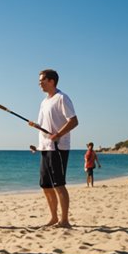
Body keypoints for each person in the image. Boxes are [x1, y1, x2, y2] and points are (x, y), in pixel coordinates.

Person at [34, 69, 78, 227]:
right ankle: (53, 217)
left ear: (51, 81)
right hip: (45, 148)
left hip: (58, 148)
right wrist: (38, 146)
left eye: (42, 80)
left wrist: (59, 134)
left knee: (59, 184)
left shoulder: (62, 98)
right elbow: (44, 126)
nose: (39, 83)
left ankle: (64, 220)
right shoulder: (44, 102)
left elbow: (73, 121)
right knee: (45, 185)